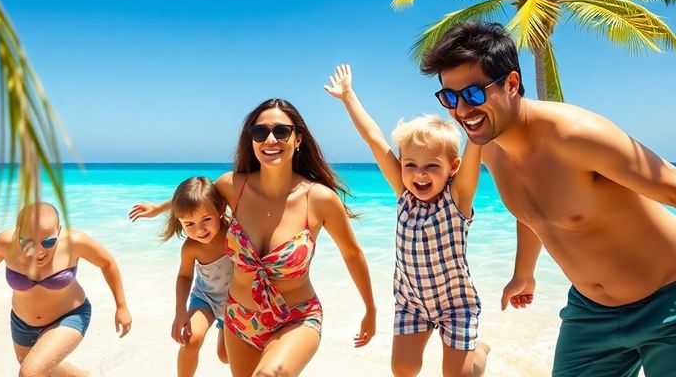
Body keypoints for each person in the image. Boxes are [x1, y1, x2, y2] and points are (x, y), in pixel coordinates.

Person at [420, 21, 676, 375]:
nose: (460, 109)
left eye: (472, 93)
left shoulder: (575, 135)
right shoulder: (488, 144)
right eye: (448, 97)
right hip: (591, 312)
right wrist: (523, 273)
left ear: (510, 84)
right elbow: (533, 212)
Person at [130, 98, 377, 377]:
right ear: (252, 141)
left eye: (281, 131)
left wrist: (370, 308)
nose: (270, 139)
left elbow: (352, 254)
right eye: (260, 132)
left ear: (298, 139)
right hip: (239, 319)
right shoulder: (233, 186)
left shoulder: (318, 199)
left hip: (295, 318)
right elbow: (199, 197)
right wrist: (160, 208)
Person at [324, 64, 489, 377]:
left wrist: (475, 113)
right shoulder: (403, 193)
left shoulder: (458, 200)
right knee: (403, 368)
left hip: (456, 304)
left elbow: (474, 148)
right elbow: (374, 140)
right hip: (412, 301)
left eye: (431, 166)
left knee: (459, 375)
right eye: (410, 164)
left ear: (452, 167)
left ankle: (479, 351)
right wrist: (348, 97)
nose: (420, 174)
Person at [0, 202, 132, 376]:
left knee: (31, 372)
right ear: (18, 232)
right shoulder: (5, 243)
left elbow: (107, 263)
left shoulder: (74, 242)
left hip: (70, 316)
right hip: (22, 323)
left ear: (58, 230)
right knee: (39, 370)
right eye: (28, 242)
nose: (38, 251)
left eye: (48, 242)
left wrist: (121, 305)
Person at [161, 176, 234, 376]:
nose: (199, 230)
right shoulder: (190, 248)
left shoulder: (234, 231)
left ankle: (223, 327)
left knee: (226, 357)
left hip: (237, 303)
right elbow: (184, 277)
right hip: (206, 299)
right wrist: (180, 312)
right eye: (189, 224)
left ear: (220, 210)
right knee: (191, 340)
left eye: (206, 220)